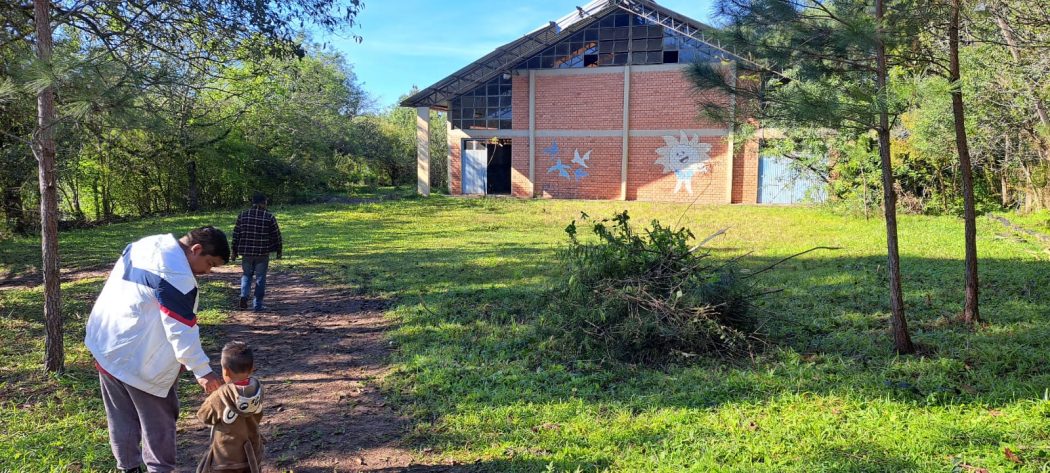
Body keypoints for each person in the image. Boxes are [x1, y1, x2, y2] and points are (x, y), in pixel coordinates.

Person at [85, 226, 230, 473]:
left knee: (121, 417)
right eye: (210, 263)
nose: (208, 271)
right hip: (141, 360)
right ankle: (160, 470)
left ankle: (128, 468)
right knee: (159, 424)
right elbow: (181, 331)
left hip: (107, 344)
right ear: (196, 250)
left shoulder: (147, 243)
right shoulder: (177, 275)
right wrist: (203, 372)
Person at [195, 341, 264, 473]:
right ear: (252, 368)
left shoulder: (219, 396)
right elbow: (258, 414)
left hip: (226, 457)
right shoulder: (258, 388)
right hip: (253, 452)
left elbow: (203, 416)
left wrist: (211, 397)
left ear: (225, 371)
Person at [231, 192, 282, 311]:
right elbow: (276, 235)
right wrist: (278, 250)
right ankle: (257, 305)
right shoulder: (269, 216)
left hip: (246, 253)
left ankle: (244, 295)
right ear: (263, 203)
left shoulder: (243, 215)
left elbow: (236, 234)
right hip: (262, 253)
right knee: (260, 278)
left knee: (246, 275)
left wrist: (234, 251)